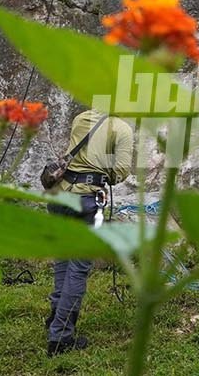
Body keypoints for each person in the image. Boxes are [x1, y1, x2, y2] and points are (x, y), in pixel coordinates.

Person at [44, 106, 134, 356]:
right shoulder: (123, 129)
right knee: (79, 268)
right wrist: (105, 169)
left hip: (60, 198)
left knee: (63, 261)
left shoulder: (81, 118)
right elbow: (120, 172)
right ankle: (60, 337)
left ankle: (55, 317)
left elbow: (79, 155)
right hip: (87, 202)